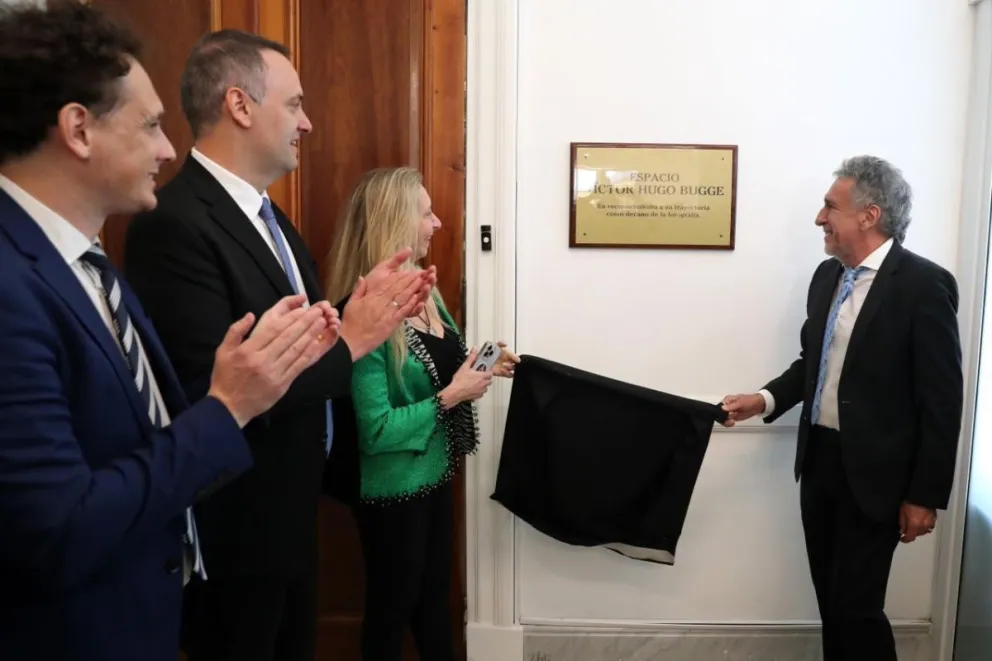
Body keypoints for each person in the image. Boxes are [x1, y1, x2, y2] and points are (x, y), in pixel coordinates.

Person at [0, 4, 342, 661]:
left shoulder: (88, 265)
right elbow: (59, 528)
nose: (167, 148)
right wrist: (229, 406)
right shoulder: (13, 286)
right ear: (78, 130)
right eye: (151, 124)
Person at [122, 29, 433, 661]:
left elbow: (305, 342)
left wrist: (355, 313)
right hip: (237, 528)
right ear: (240, 105)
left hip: (292, 514)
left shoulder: (272, 220)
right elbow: (212, 388)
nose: (307, 123)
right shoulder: (175, 223)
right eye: (294, 105)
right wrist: (353, 339)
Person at [721, 155, 963, 661]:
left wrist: (925, 495)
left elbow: (942, 401)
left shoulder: (923, 285)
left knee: (857, 608)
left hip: (877, 479)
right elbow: (813, 361)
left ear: (870, 215)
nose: (820, 218)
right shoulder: (827, 277)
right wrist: (764, 400)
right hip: (820, 465)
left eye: (830, 206)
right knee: (832, 605)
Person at [325, 166, 518, 661]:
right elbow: (376, 430)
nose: (437, 224)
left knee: (434, 603)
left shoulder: (424, 291)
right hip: (392, 488)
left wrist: (485, 361)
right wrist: (453, 396)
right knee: (392, 611)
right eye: (426, 213)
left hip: (435, 473)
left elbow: (439, 368)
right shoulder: (364, 319)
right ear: (395, 222)